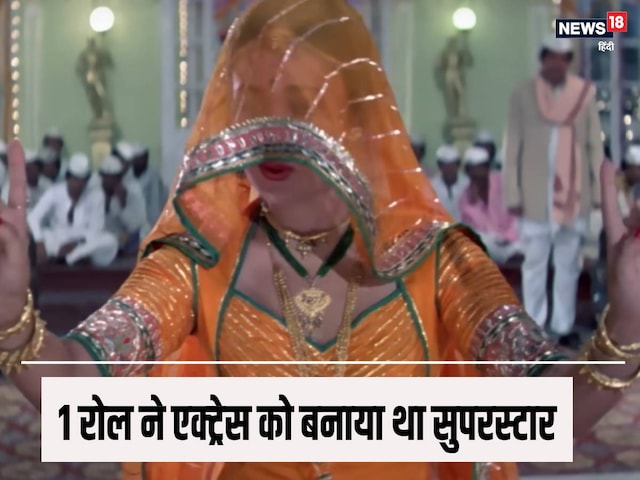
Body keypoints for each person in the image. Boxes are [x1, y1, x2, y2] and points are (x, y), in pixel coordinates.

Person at [0, 2, 639, 480]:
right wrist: (10, 321)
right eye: (252, 103)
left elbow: (547, 415)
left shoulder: (437, 258)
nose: (270, 131)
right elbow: (76, 392)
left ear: (356, 117)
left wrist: (628, 325)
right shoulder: (196, 261)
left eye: (301, 103)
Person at [503, 35, 603, 346]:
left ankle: (563, 325)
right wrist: (512, 193)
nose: (558, 64)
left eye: (564, 59)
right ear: (543, 59)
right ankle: (534, 326)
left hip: (574, 195)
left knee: (568, 264)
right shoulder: (523, 94)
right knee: (534, 264)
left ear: (568, 63)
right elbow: (512, 146)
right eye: (552, 57)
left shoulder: (583, 94)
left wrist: (599, 192)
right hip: (534, 196)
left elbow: (594, 146)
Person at [27, 152, 118, 267]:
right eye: (75, 179)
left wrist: (76, 244)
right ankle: (64, 255)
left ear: (87, 180)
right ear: (67, 177)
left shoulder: (96, 195)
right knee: (39, 236)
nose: (79, 184)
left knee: (110, 240)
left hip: (83, 243)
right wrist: (39, 242)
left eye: (82, 180)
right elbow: (33, 217)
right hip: (58, 240)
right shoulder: (54, 192)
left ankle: (69, 258)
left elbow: (96, 228)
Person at [458, 146, 522, 264]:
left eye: (480, 170)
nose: (477, 176)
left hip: (514, 239)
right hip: (491, 245)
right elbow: (476, 229)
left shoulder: (503, 183)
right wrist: (475, 204)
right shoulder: (465, 197)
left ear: (487, 169)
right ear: (468, 172)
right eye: (473, 174)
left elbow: (516, 217)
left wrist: (507, 237)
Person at [98, 155, 147, 257]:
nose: (110, 181)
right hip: (101, 239)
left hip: (122, 238)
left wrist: (122, 204)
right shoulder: (95, 193)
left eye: (114, 178)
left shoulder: (130, 192)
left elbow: (134, 226)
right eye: (107, 177)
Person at [130, 143, 168, 236]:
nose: (138, 162)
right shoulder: (129, 175)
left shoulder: (153, 176)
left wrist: (155, 227)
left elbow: (155, 203)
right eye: (136, 159)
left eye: (141, 159)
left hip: (151, 222)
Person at [431, 144, 468, 221]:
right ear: (440, 166)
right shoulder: (431, 186)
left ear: (458, 165)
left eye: (452, 166)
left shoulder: (467, 184)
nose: (449, 169)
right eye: (446, 166)